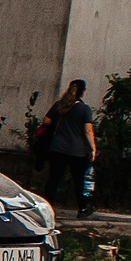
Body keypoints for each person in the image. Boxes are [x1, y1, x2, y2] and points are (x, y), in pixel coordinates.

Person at [41, 79, 98, 217]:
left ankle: (48, 208)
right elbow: (88, 131)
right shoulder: (84, 109)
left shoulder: (59, 105)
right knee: (78, 180)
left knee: (54, 179)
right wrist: (92, 148)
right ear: (83, 92)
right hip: (77, 151)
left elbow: (46, 121)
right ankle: (82, 208)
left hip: (57, 147)